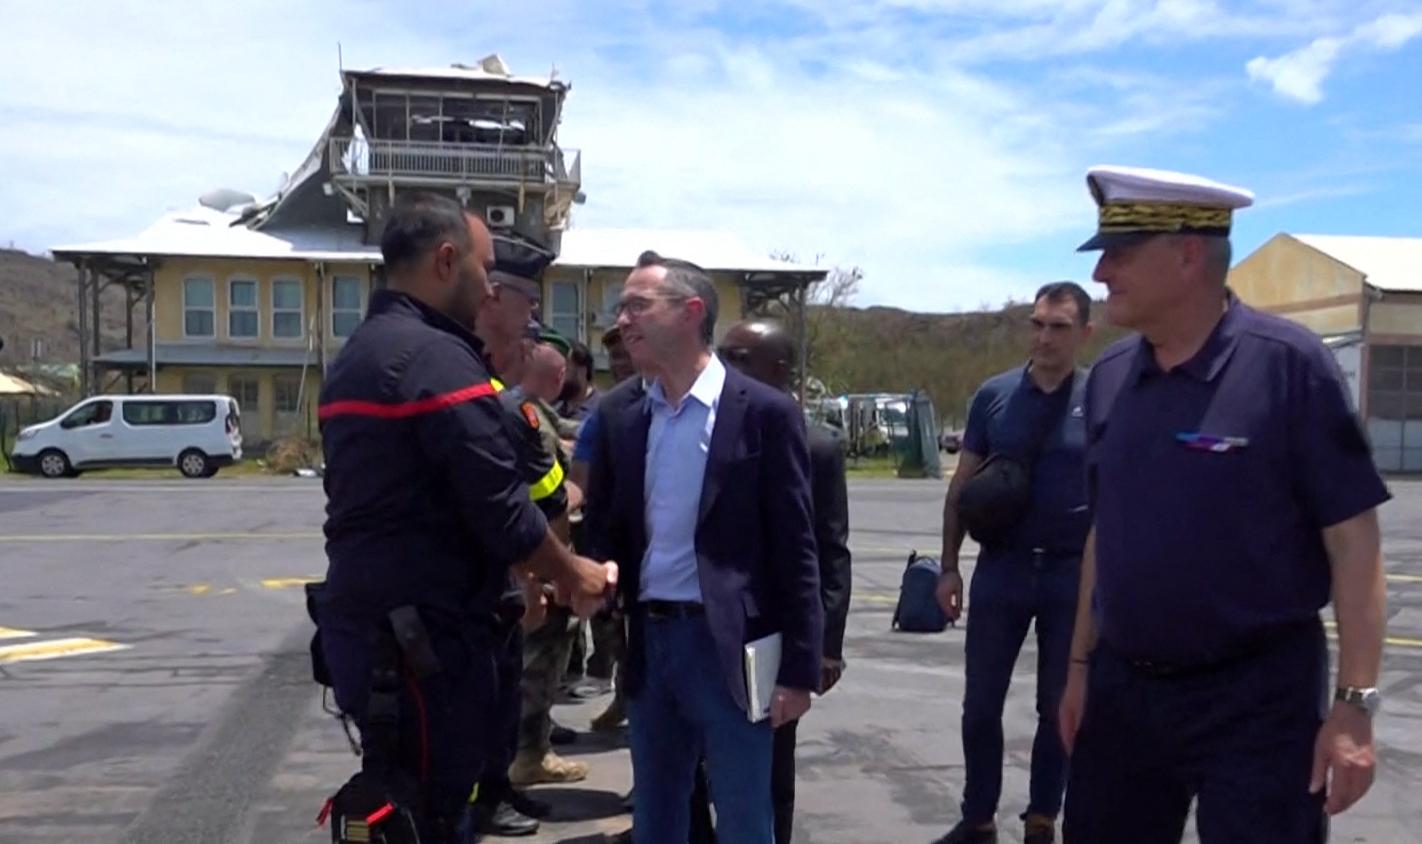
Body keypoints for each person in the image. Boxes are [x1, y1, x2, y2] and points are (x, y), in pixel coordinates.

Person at [1058, 166, 1390, 843]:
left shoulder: (1289, 367)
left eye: (1118, 255)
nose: (1101, 275)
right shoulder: (1111, 379)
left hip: (1259, 700)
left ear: (1186, 254)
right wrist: (1080, 670)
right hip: (1125, 693)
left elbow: (1355, 543)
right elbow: (1104, 532)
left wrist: (1355, 706)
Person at [312, 192, 615, 842]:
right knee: (434, 815)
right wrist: (575, 575)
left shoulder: (362, 354)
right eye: (484, 270)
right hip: (424, 642)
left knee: (402, 806)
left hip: (376, 632)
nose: (487, 290)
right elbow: (500, 507)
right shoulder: (433, 360)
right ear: (446, 261)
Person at [584, 251, 824, 843]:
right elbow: (611, 527)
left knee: (744, 818)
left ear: (691, 312)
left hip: (730, 651)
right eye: (621, 308)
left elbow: (797, 547)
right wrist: (595, 571)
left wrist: (799, 671)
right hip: (652, 645)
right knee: (657, 817)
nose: (623, 321)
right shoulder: (624, 416)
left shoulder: (764, 414)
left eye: (638, 306)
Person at [930, 282, 1095, 844]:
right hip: (1002, 568)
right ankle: (978, 816)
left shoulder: (1103, 397)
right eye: (1037, 324)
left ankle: (1043, 816)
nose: (1044, 337)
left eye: (1058, 327)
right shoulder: (994, 396)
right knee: (980, 704)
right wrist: (950, 565)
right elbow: (961, 485)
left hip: (1071, 574)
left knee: (1058, 706)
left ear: (1085, 334)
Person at [713, 318, 854, 844]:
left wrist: (825, 645)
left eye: (742, 357)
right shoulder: (708, 433)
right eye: (724, 354)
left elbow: (830, 549)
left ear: (780, 369)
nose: (728, 367)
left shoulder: (817, 447)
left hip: (773, 635)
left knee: (772, 764)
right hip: (710, 625)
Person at [464, 271, 565, 838]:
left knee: (503, 696)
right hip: (496, 575)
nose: (528, 336)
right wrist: (535, 577)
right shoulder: (497, 408)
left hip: (516, 573)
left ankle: (498, 790)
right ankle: (480, 801)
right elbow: (507, 503)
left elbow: (545, 487)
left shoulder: (517, 409)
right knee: (482, 702)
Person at [509, 338, 593, 788]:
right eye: (556, 371)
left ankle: (532, 743)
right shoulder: (528, 418)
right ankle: (528, 755)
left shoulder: (538, 410)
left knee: (543, 661)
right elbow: (549, 498)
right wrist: (562, 570)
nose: (563, 379)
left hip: (540, 555)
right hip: (542, 557)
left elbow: (577, 429)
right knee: (536, 663)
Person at [557, 340, 603, 422]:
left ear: (582, 372)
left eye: (565, 371)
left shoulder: (602, 408)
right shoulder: (556, 411)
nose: (559, 378)